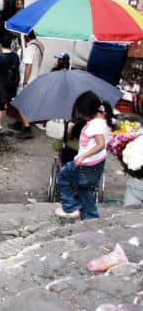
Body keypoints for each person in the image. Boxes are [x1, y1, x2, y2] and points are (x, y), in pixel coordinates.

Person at [55, 91, 112, 220]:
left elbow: (100, 144)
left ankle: (71, 207)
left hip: (86, 164)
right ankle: (90, 219)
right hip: (98, 162)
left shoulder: (95, 125)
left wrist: (83, 156)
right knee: (86, 192)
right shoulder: (104, 117)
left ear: (87, 112)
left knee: (62, 178)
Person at [0, 37, 20, 126]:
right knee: (2, 107)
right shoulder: (15, 56)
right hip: (10, 86)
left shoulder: (0, 58)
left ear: (0, 45)